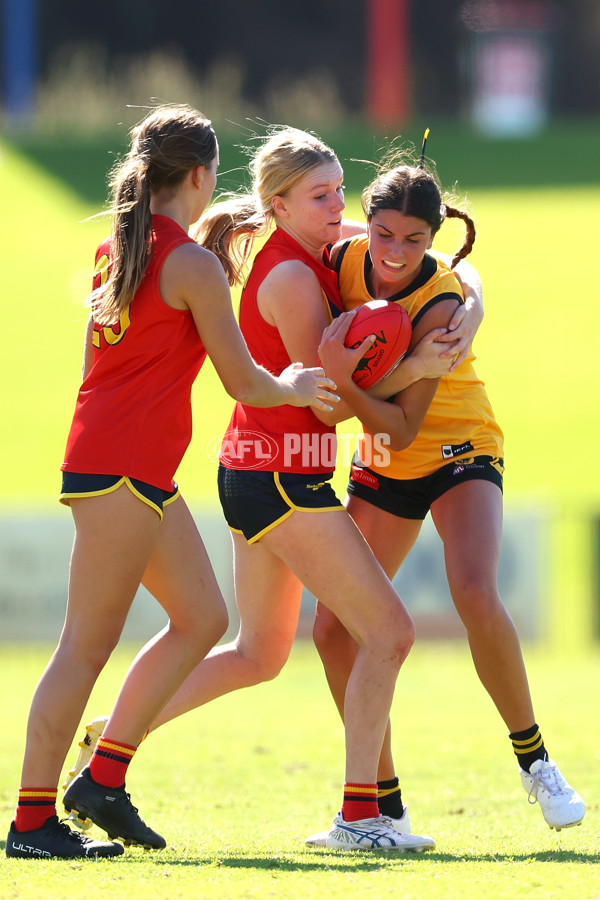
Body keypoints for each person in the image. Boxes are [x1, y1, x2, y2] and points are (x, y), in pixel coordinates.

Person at [64, 125, 484, 853]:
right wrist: (417, 369)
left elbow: (438, 260)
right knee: (388, 633)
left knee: (260, 653)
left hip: (263, 470)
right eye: (321, 196)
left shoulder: (318, 243)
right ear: (280, 205)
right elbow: (326, 398)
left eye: (338, 193)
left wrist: (469, 308)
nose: (337, 207)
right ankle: (362, 818)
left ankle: (108, 753)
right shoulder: (292, 276)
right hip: (279, 474)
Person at [5, 105, 340, 861]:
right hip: (121, 470)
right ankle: (29, 824)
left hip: (128, 467)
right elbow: (245, 383)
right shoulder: (185, 261)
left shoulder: (122, 248)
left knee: (201, 617)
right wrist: (296, 385)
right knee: (82, 651)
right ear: (199, 174)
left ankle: (104, 779)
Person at [306, 148, 586, 844]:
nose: (395, 253)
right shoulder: (341, 256)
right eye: (384, 235)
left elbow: (404, 426)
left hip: (455, 443)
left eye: (415, 240)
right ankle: (383, 804)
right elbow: (277, 222)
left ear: (433, 238)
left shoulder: (441, 298)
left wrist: (345, 381)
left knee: (474, 591)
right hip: (384, 456)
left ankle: (537, 762)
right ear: (362, 224)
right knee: (333, 629)